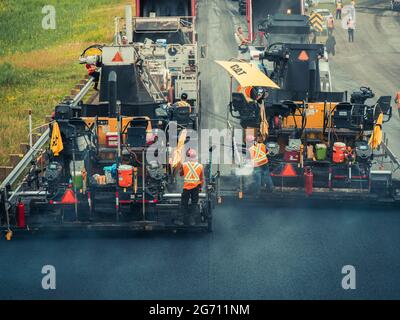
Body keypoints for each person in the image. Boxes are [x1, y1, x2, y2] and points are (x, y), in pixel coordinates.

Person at [179, 149, 204, 226]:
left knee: (184, 204)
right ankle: (192, 220)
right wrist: (201, 187)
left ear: (188, 157)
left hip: (186, 188)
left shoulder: (184, 165)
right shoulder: (200, 166)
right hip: (196, 188)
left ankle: (184, 220)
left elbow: (181, 174)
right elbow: (201, 179)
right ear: (196, 157)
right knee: (194, 204)